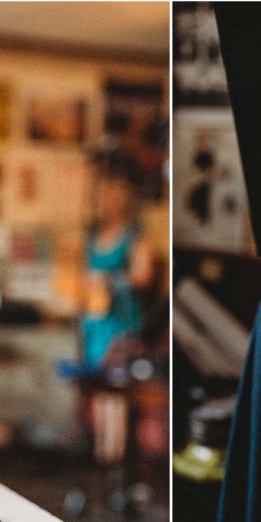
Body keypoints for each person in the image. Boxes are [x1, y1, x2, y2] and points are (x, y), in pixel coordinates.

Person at [81, 152, 155, 369]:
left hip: (121, 326)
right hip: (94, 322)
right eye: (105, 191)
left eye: (115, 191)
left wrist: (110, 281)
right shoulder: (92, 235)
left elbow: (143, 276)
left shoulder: (135, 236)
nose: (109, 198)